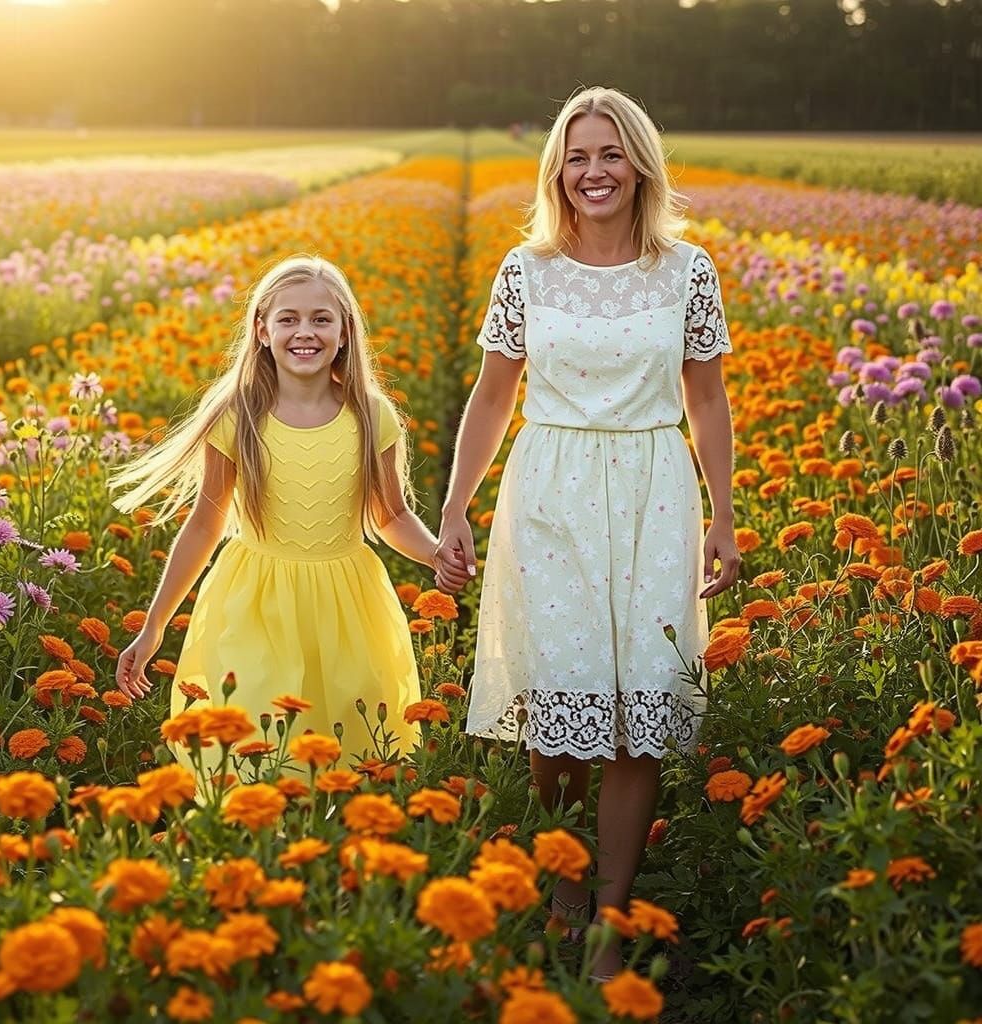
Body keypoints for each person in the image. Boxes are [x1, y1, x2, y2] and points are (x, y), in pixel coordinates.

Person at [438, 86, 741, 979]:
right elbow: (494, 395)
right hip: (551, 490)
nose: (594, 171)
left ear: (639, 164)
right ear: (556, 172)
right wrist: (457, 504)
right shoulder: (525, 270)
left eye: (610, 154)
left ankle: (609, 920)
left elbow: (708, 397)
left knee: (637, 716)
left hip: (653, 490)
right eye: (578, 156)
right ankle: (566, 888)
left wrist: (725, 513)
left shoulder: (686, 270)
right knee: (559, 708)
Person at [111, 255, 470, 776]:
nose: (306, 332)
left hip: (348, 607)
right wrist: (152, 629)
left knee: (349, 751)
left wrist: (436, 553)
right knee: (256, 749)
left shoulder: (371, 415)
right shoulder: (238, 416)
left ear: (345, 332)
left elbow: (389, 515)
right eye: (289, 319)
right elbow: (205, 526)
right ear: (262, 329)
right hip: (255, 603)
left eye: (322, 319)